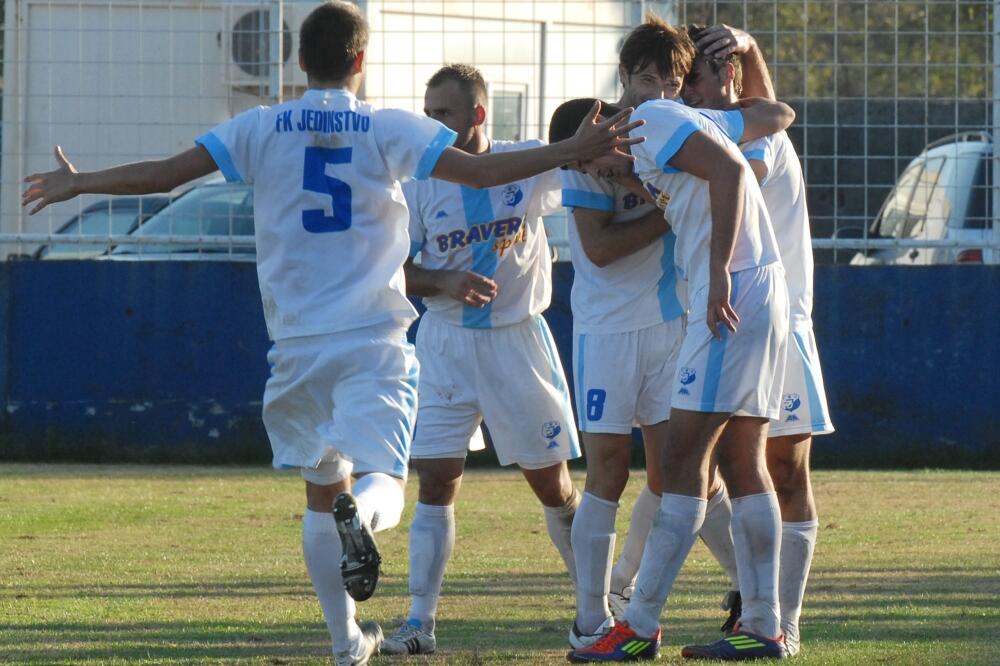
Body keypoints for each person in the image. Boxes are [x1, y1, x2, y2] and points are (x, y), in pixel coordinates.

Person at [20, 3, 642, 665]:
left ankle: (348, 644)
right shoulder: (385, 127)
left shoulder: (259, 126)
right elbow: (483, 173)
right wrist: (575, 148)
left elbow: (165, 175)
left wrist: (81, 182)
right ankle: (366, 522)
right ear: (361, 61)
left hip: (294, 345)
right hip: (372, 337)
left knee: (321, 491)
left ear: (297, 60)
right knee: (382, 485)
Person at [553, 15, 796, 652]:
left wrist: (715, 273)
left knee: (685, 462)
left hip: (732, 292)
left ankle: (635, 628)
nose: (590, 164)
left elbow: (732, 175)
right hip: (760, 290)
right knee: (742, 461)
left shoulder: (653, 121)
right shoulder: (679, 124)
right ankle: (763, 626)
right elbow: (778, 115)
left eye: (588, 152)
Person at [379, 64, 581, 657]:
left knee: (552, 485)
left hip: (516, 342)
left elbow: (587, 170)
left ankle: (596, 604)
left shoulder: (526, 164)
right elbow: (391, 268)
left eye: (443, 112)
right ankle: (420, 622)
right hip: (442, 344)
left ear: (477, 115)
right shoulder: (417, 184)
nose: (432, 123)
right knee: (436, 479)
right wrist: (440, 279)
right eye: (427, 112)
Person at [681, 24, 835, 659]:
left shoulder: (757, 139)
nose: (690, 90)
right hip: (724, 323)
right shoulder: (692, 138)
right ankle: (756, 596)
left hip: (781, 324)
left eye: (700, 76)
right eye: (687, 78)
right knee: (704, 465)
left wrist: (747, 47)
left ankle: (780, 622)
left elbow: (769, 122)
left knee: (781, 468)